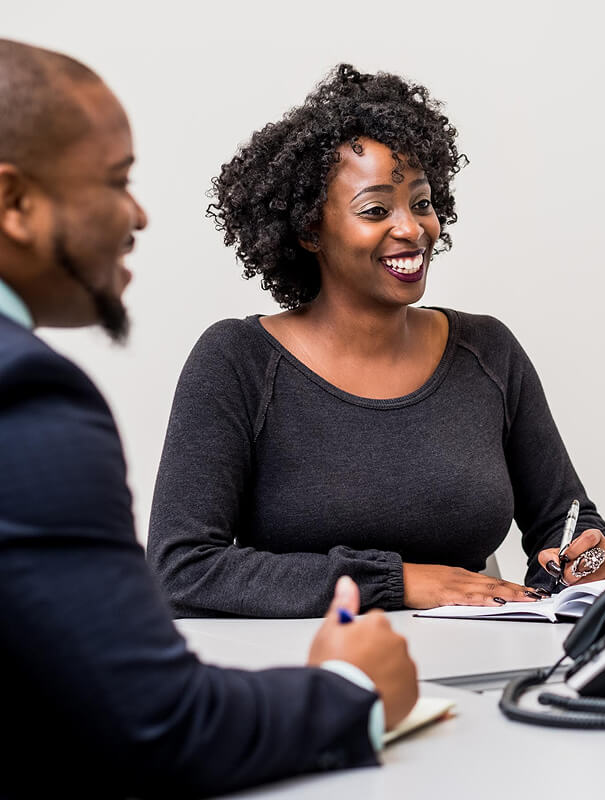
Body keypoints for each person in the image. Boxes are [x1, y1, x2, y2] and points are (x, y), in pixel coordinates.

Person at [0, 40, 419, 797]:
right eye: (115, 182)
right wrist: (351, 688)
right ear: (15, 204)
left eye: (423, 203)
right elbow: (160, 722)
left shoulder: (490, 349)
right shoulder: (27, 396)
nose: (138, 214)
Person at [146, 64, 605, 618]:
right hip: (302, 678)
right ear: (309, 229)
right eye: (376, 210)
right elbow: (182, 569)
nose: (412, 229)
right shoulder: (237, 361)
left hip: (479, 663)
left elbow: (567, 520)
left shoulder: (488, 351)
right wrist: (397, 583)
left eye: (421, 203)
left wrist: (590, 558)